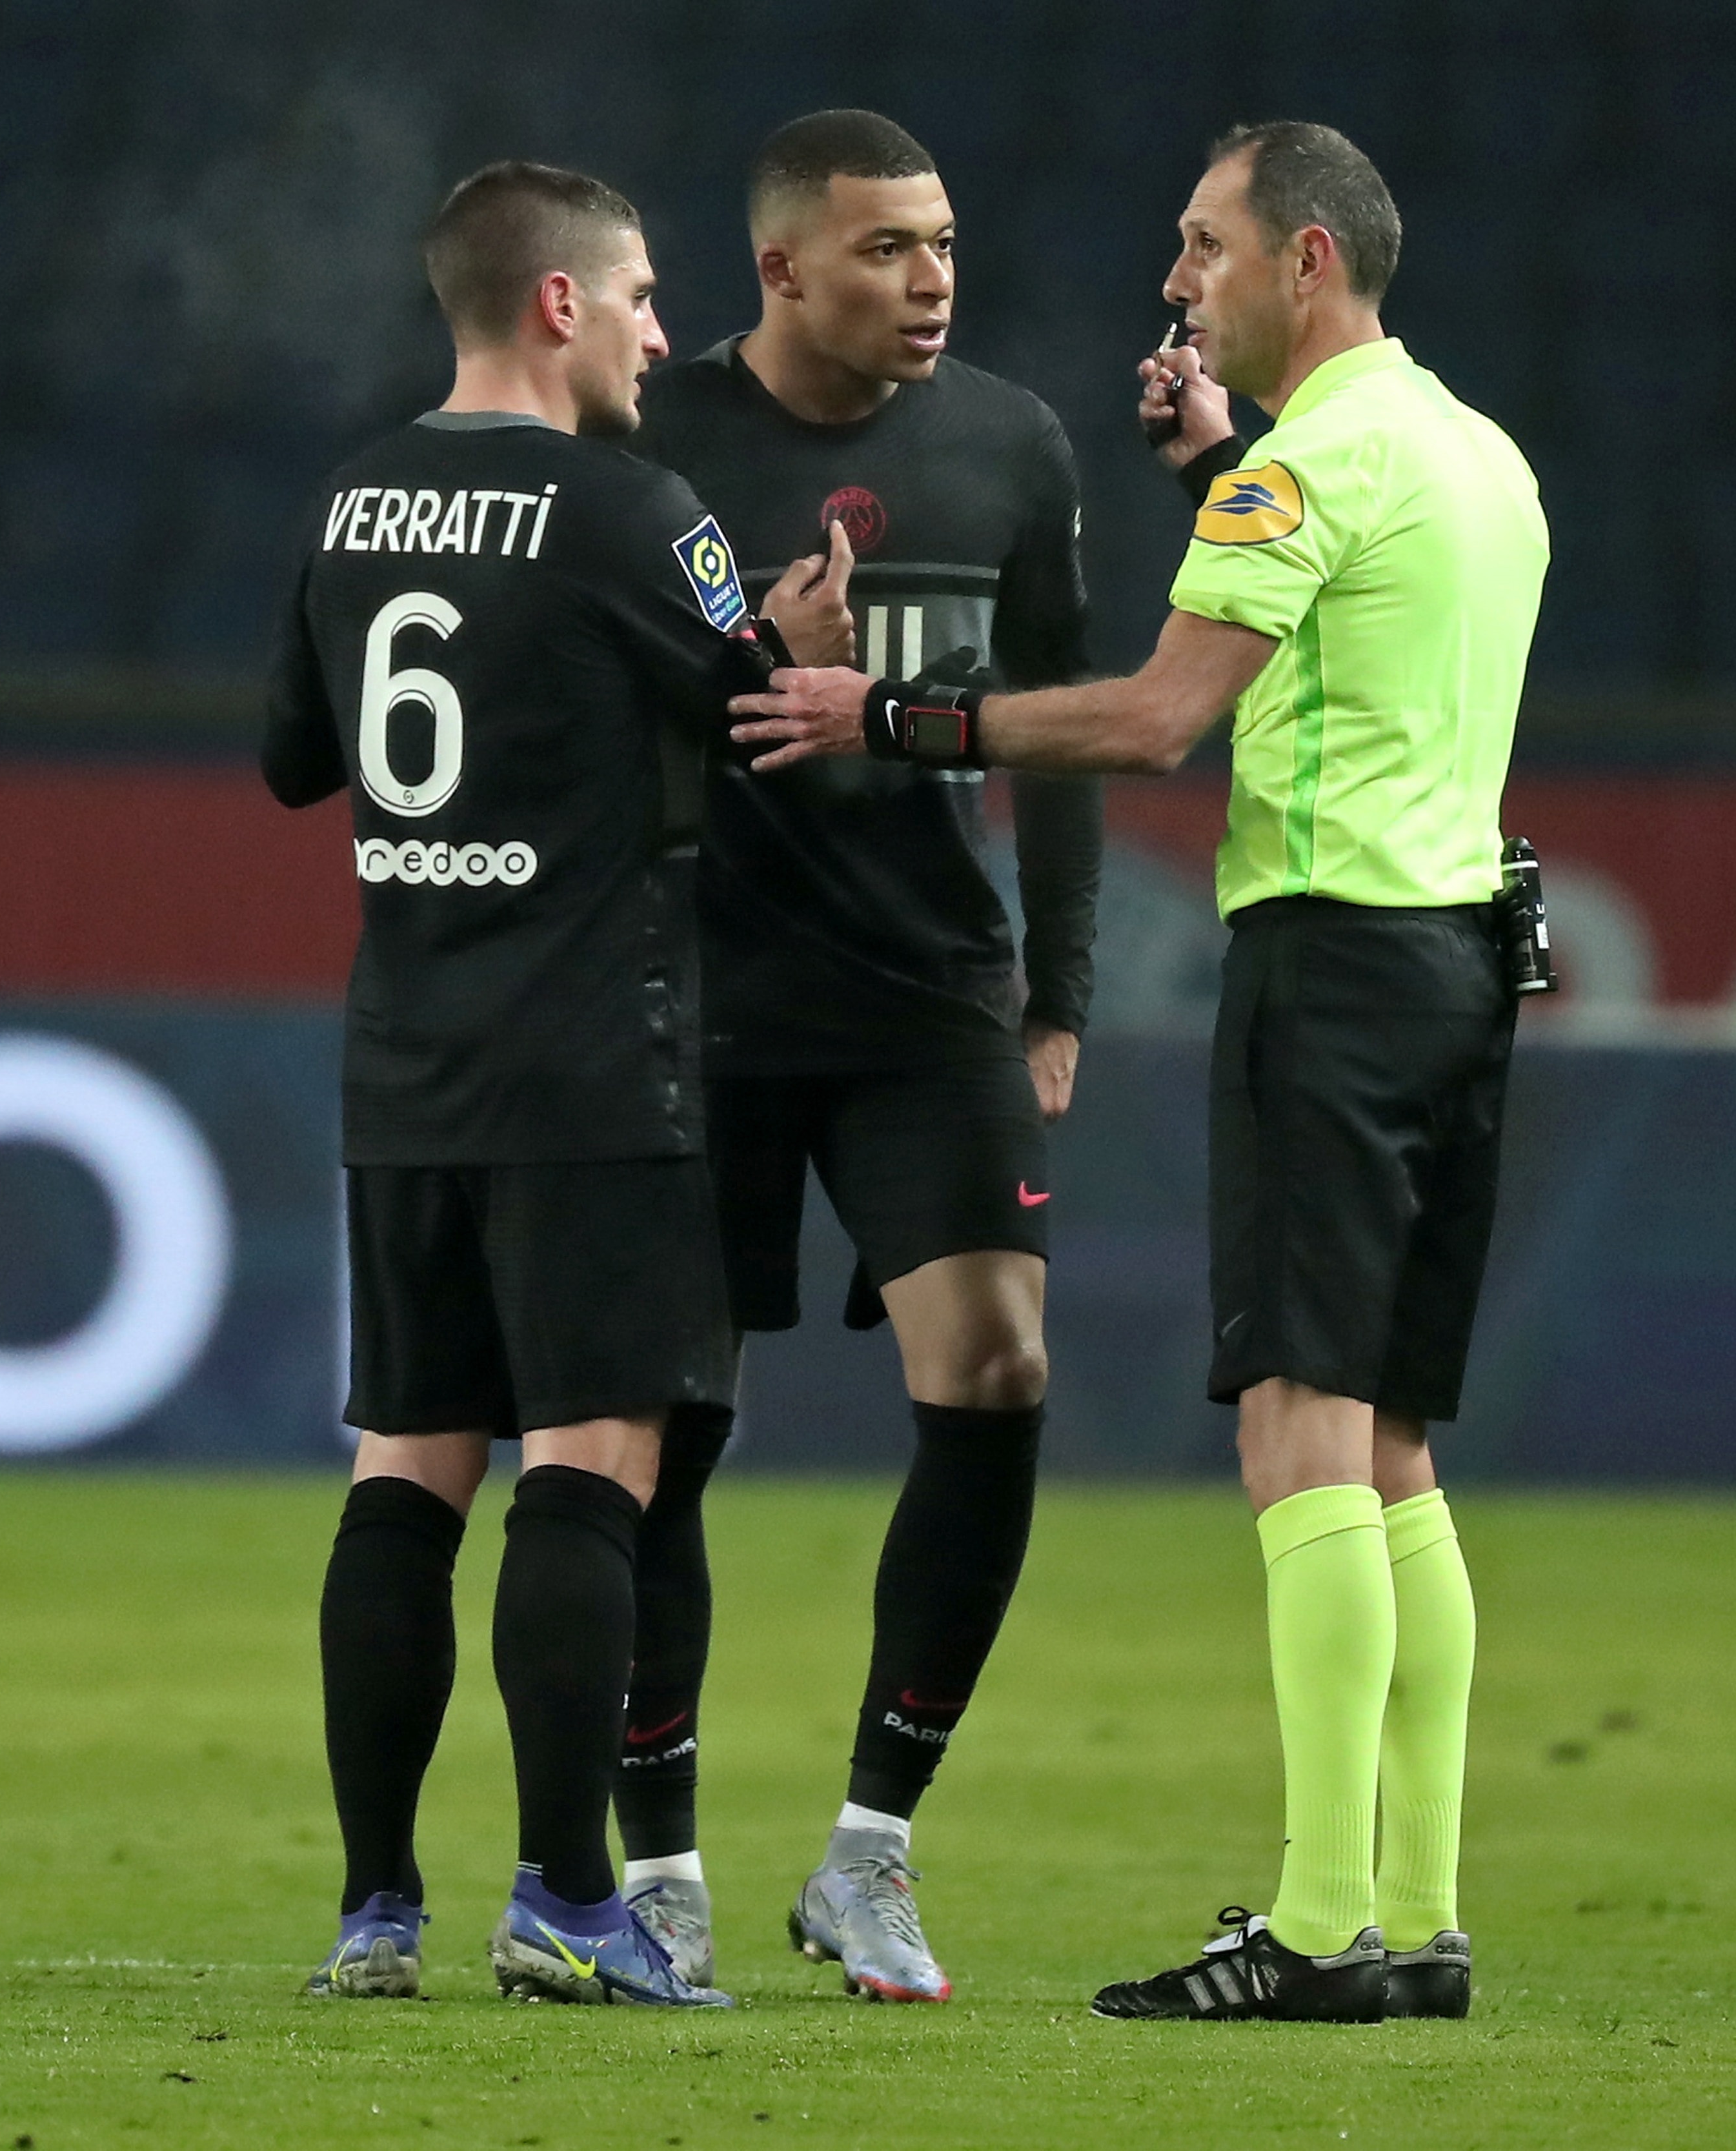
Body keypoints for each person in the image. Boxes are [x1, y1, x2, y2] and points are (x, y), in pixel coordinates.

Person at [731, 119, 1544, 2025]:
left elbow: (1161, 718)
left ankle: (1325, 1923)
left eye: (1206, 247)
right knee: (1398, 1447)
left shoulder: (1301, 479)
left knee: (1297, 1428)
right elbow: (1353, 598)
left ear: (1307, 264)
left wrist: (891, 712)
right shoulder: (1469, 453)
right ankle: (1415, 1914)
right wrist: (1234, 472)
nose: (1181, 282)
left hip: (1331, 971)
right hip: (1460, 959)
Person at [262, 159, 851, 2008]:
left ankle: (375, 1912)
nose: (669, 336)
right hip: (597, 1067)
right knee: (590, 1473)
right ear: (558, 306)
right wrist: (801, 648)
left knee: (406, 1474)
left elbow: (299, 757)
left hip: (406, 1063)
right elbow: (770, 715)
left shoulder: (350, 500)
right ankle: (570, 1901)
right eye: (648, 298)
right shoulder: (631, 508)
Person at [615, 108, 1100, 2005]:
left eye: (948, 246)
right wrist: (752, 667)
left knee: (997, 1367)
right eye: (891, 248)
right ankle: (658, 1864)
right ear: (782, 271)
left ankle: (873, 1849)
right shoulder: (653, 448)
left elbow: (1055, 722)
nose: (933, 281)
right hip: (702, 1005)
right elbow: (590, 721)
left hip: (927, 1001)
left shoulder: (1007, 442)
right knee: (665, 1431)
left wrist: (1054, 998)